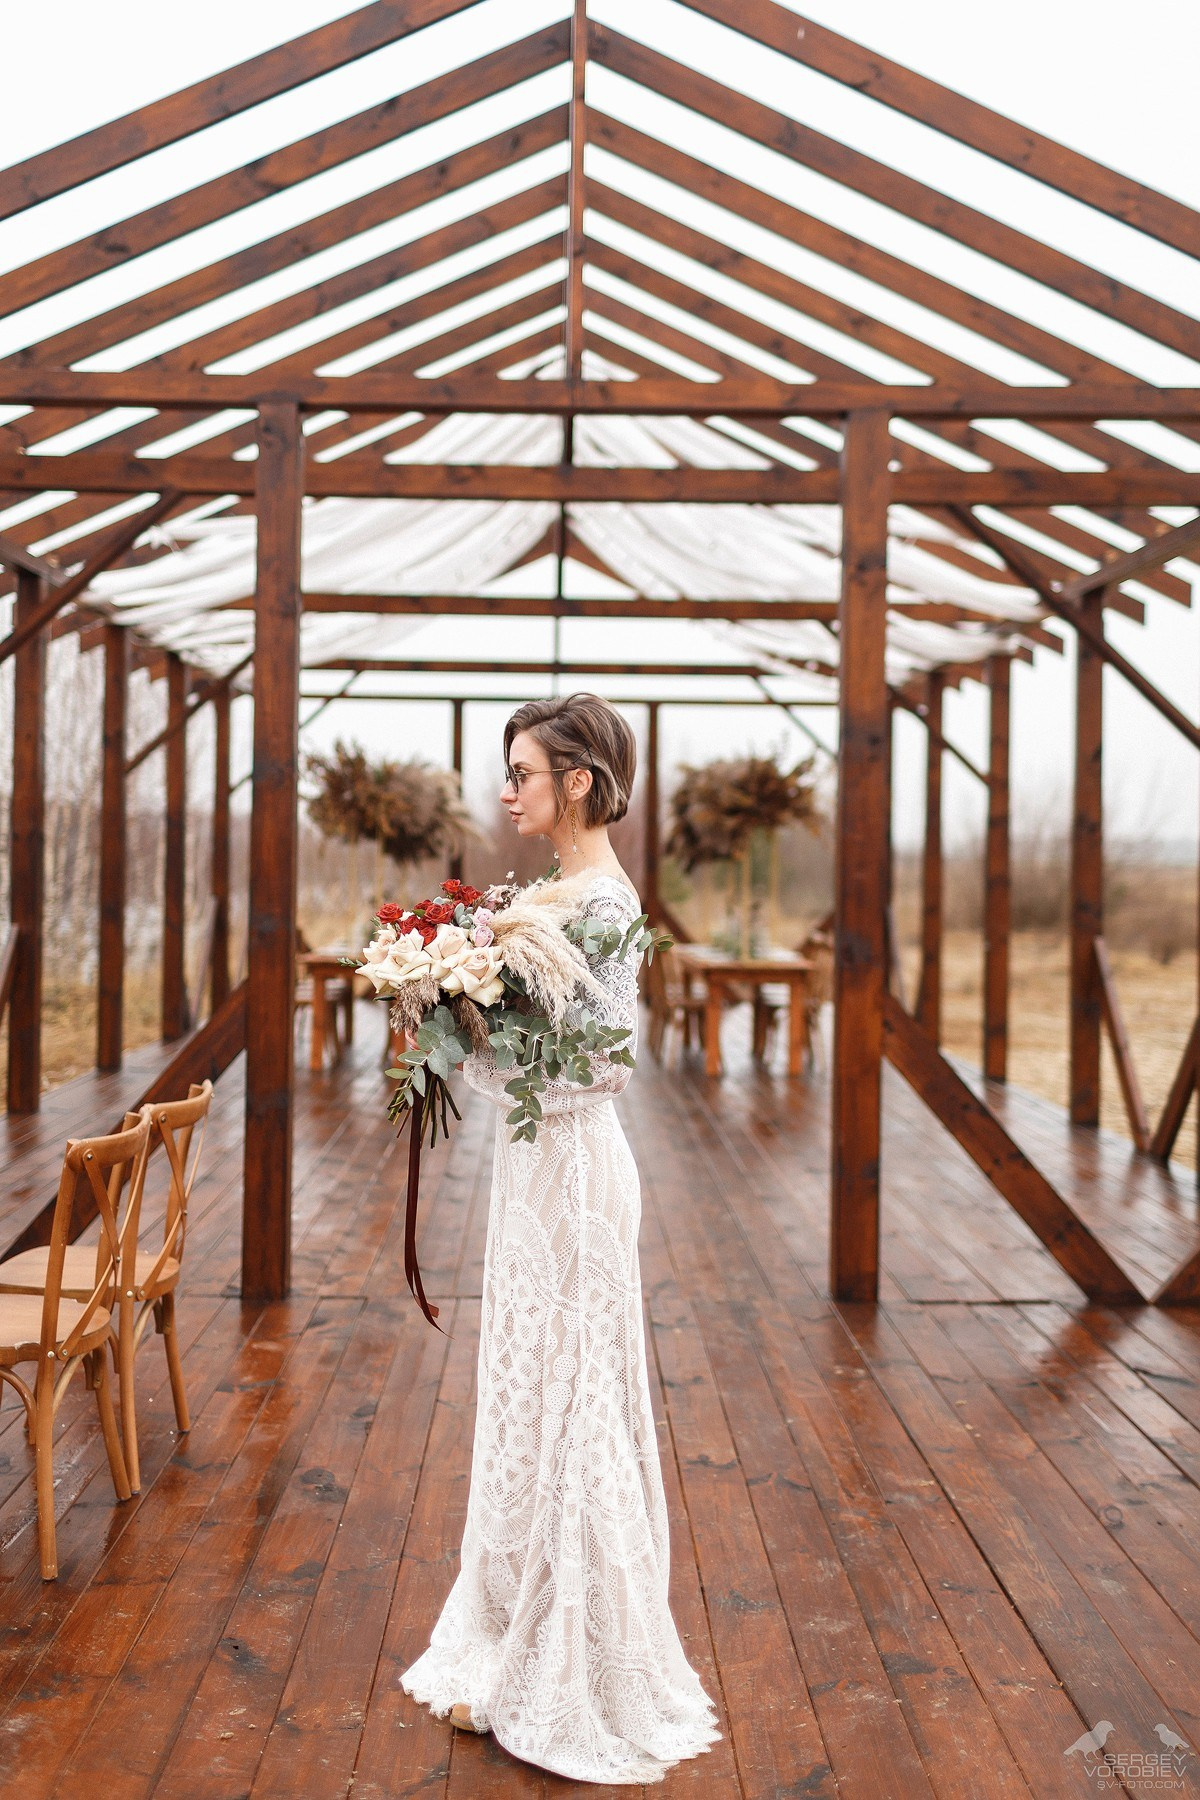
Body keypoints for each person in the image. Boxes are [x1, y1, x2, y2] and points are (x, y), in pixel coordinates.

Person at [400, 693, 719, 1784]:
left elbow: (605, 1066)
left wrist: (476, 1041)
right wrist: (449, 1010)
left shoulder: (607, 903)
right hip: (532, 1173)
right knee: (528, 1384)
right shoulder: (543, 894)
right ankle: (507, 1615)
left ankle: (572, 1648)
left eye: (523, 772)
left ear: (577, 781)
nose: (507, 790)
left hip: (577, 1175)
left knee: (575, 1388)